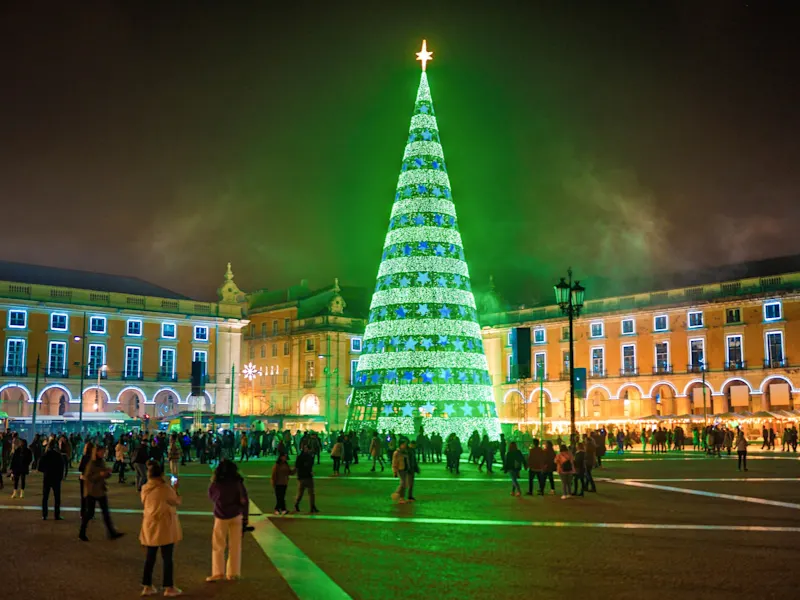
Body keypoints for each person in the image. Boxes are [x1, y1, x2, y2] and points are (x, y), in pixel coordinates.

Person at [140, 461, 183, 597]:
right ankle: (168, 587)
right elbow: (176, 501)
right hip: (164, 526)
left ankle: (147, 586)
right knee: (167, 557)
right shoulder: (165, 489)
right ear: (161, 475)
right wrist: (175, 488)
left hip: (149, 525)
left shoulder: (145, 488)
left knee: (150, 557)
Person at [207, 460, 249, 582]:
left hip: (221, 516)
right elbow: (245, 500)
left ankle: (218, 572)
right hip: (236, 515)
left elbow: (212, 496)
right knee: (235, 545)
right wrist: (245, 518)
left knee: (218, 546)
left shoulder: (217, 483)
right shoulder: (238, 483)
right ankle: (233, 573)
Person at [78, 446, 124, 541]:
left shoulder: (101, 462)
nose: (103, 454)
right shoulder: (91, 463)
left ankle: (111, 532)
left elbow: (103, 475)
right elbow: (88, 477)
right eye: (102, 452)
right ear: (97, 452)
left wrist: (107, 473)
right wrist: (100, 474)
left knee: (106, 513)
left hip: (100, 490)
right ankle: (82, 532)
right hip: (92, 491)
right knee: (89, 513)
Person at [39, 440, 64, 520]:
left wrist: (46, 470)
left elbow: (40, 467)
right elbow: (61, 467)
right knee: (57, 498)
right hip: (56, 478)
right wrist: (60, 476)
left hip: (47, 477)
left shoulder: (45, 454)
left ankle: (44, 515)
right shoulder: (58, 455)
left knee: (45, 497)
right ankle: (57, 515)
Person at [294, 445, 319, 514]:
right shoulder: (307, 457)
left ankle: (311, 506)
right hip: (305, 477)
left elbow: (297, 467)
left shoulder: (301, 457)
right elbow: (309, 465)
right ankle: (311, 506)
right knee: (307, 493)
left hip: (304, 477)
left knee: (307, 493)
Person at [391, 439, 410, 503]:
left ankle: (399, 495)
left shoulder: (405, 451)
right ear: (401, 445)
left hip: (405, 469)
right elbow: (394, 463)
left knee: (405, 484)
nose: (405, 445)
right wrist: (395, 471)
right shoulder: (397, 453)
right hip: (400, 469)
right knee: (403, 483)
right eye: (404, 444)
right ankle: (400, 497)